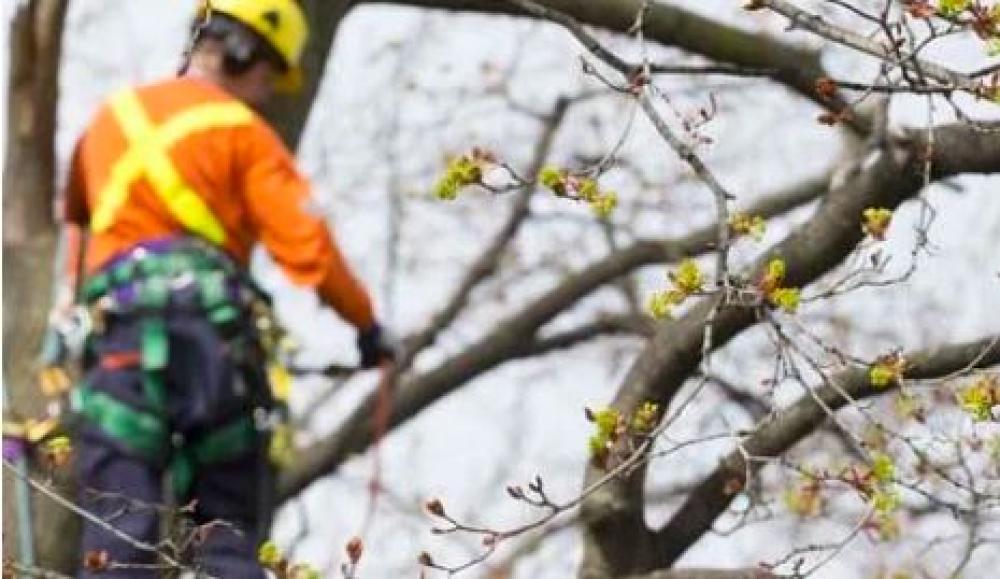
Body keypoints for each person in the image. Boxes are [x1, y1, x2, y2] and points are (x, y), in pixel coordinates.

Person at [54, 1, 394, 576]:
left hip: (120, 348)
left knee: (116, 534)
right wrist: (367, 326)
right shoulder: (244, 134)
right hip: (210, 348)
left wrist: (71, 324)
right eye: (268, 73)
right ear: (243, 52)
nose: (266, 91)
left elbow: (79, 235)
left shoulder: (109, 120)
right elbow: (309, 247)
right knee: (228, 537)